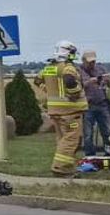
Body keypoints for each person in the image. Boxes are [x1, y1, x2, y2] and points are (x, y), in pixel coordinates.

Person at [36, 40, 87, 177]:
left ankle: (68, 166)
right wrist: (74, 93)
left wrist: (48, 90)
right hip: (70, 111)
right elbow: (70, 80)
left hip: (55, 112)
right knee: (71, 140)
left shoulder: (48, 68)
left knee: (62, 140)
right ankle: (60, 168)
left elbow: (37, 80)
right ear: (68, 52)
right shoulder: (68, 67)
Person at [80, 50, 110, 156]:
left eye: (93, 61)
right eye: (89, 62)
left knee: (107, 131)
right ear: (83, 61)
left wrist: (109, 80)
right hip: (88, 105)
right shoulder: (78, 70)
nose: (92, 64)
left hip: (102, 104)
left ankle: (109, 153)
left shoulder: (101, 69)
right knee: (88, 133)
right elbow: (77, 86)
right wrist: (90, 81)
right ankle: (90, 155)